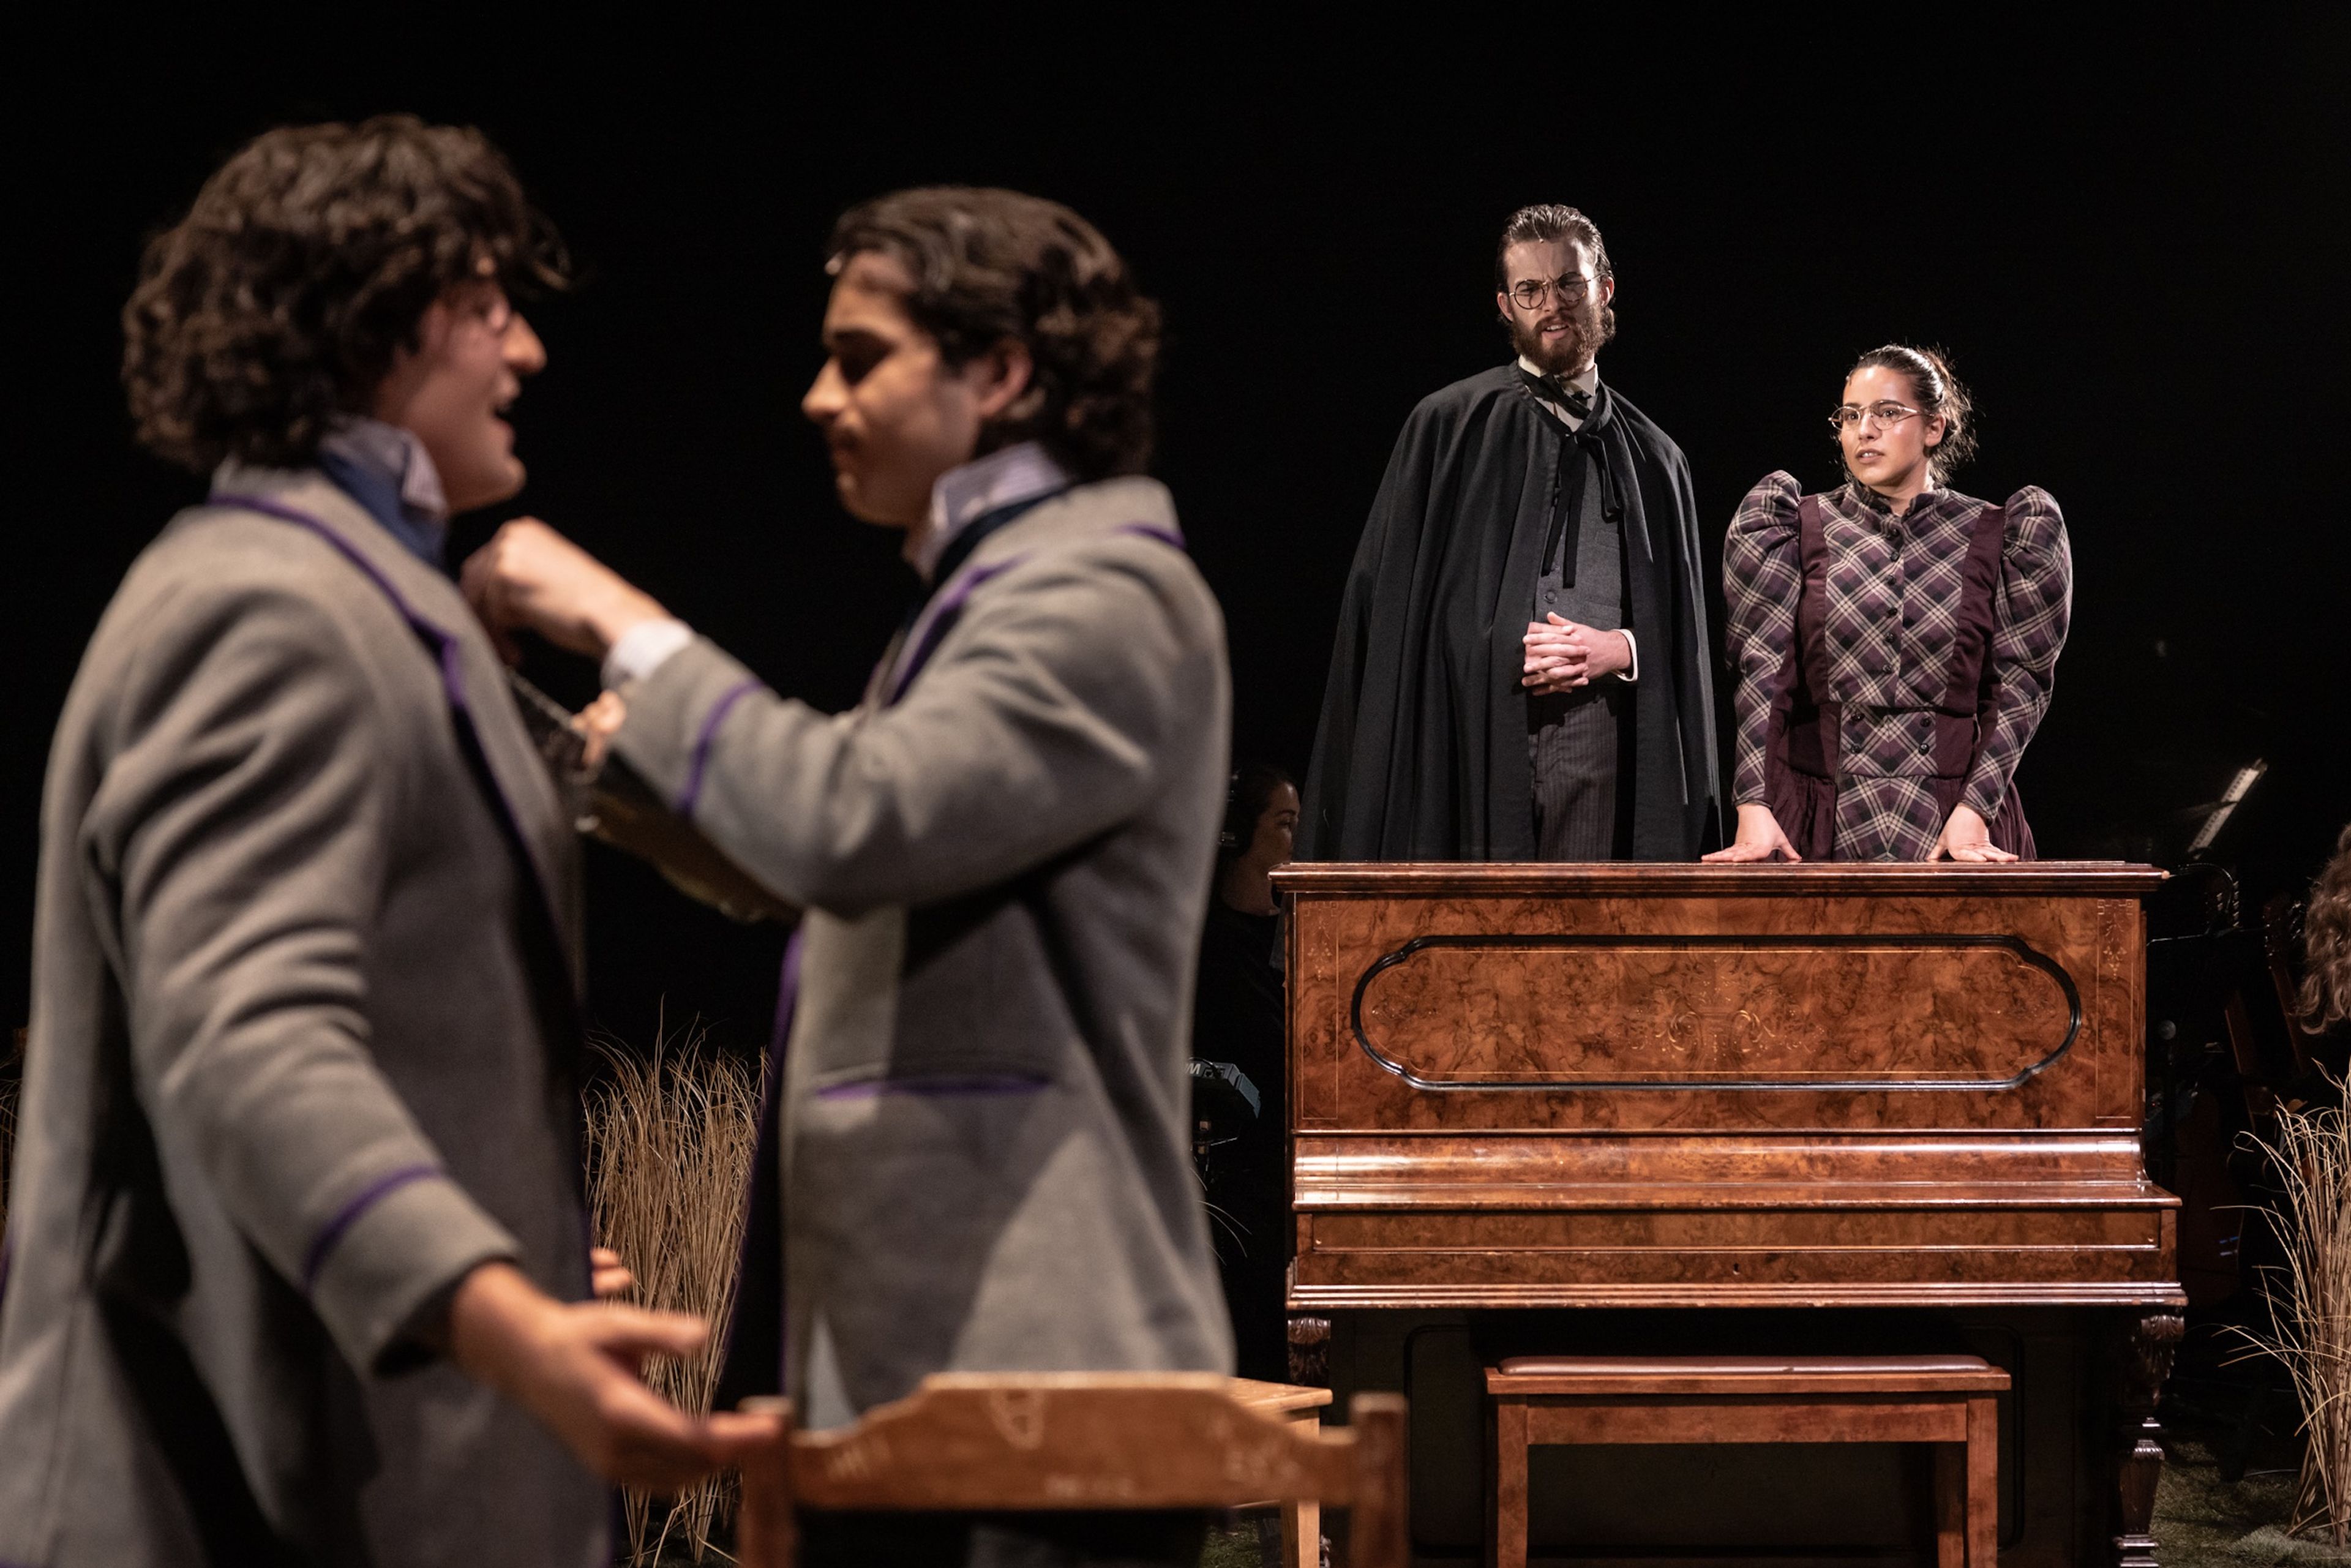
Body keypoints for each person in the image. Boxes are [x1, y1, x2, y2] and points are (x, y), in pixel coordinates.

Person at [0, 117, 757, 1568]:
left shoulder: (372, 605)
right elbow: (249, 1040)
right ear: (379, 324)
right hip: (243, 1492)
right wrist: (504, 1307)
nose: (527, 352)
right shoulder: (266, 610)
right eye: (489, 309)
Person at [463, 186, 1233, 1566]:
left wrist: (616, 618)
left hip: (1030, 1360)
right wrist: (544, 744)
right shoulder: (988, 600)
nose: (820, 398)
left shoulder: (1108, 594)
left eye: (861, 356)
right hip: (929, 1346)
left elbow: (846, 820)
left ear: (998, 371)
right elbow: (813, 862)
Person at [1298, 203, 1720, 863]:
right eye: (1530, 290)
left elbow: (1692, 636)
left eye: (1569, 284)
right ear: (1505, 304)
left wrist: (1622, 648)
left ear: (1603, 289)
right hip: (1467, 742)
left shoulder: (1655, 458)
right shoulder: (1447, 428)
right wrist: (1494, 652)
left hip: (1600, 751)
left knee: (1581, 954)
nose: (1552, 304)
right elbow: (1390, 621)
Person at [1706, 345, 2072, 864]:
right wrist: (1753, 802)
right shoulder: (1794, 525)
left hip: (1956, 820)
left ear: (1935, 428)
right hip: (1819, 819)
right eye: (1851, 415)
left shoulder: (2001, 534)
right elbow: (1761, 675)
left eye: (1887, 412)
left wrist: (1975, 809)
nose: (1865, 429)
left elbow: (2021, 686)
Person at [1188, 762, 1297, 1384]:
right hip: (1229, 1168)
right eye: (1284, 825)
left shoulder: (1295, 937)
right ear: (1243, 834)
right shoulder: (1209, 944)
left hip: (1282, 1159)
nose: (1295, 843)